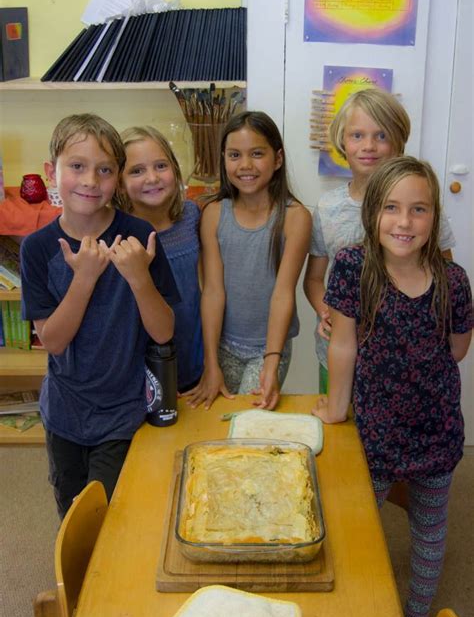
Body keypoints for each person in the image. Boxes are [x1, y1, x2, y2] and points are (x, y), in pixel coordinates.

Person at [312, 156, 472, 617]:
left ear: (434, 217)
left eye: (418, 210)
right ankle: (355, 610)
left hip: (436, 428)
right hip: (375, 431)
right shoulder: (355, 267)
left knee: (430, 527)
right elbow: (342, 346)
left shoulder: (453, 279)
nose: (404, 222)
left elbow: (458, 348)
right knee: (356, 524)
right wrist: (337, 407)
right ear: (373, 213)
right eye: (392, 208)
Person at [20, 114, 180, 519]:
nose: (91, 181)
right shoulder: (37, 248)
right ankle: (70, 586)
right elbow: (53, 341)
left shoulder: (139, 235)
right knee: (73, 514)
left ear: (118, 178)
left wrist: (139, 277)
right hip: (64, 413)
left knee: (111, 516)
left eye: (105, 169)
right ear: (50, 171)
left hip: (123, 411)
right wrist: (85, 278)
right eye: (77, 166)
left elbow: (163, 332)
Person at [304, 88, 456, 393]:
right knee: (340, 432)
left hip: (404, 364)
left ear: (399, 142)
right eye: (357, 135)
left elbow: (445, 276)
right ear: (342, 143)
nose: (368, 146)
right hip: (336, 356)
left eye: (381, 135)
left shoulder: (421, 208)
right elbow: (315, 279)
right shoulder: (327, 208)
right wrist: (327, 312)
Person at [186, 110, 312, 411]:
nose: (245, 165)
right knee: (214, 420)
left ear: (277, 159)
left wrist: (272, 360)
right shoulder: (214, 214)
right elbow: (213, 291)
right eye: (234, 155)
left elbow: (283, 293)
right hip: (222, 345)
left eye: (257, 154)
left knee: (246, 425)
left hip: (267, 348)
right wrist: (210, 361)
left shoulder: (295, 218)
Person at [114, 125, 203, 393]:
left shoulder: (192, 217)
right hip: (140, 372)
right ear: (119, 182)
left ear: (175, 170)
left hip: (194, 358)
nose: (152, 178)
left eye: (161, 165)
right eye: (137, 171)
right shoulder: (116, 235)